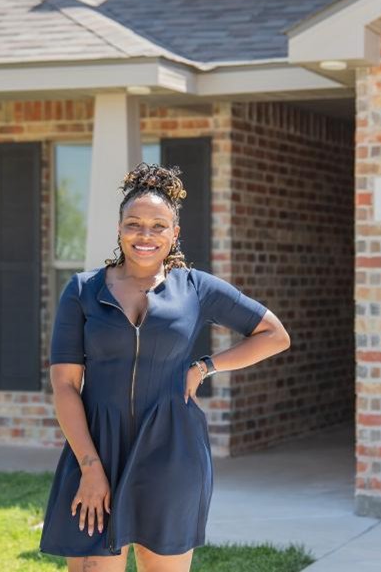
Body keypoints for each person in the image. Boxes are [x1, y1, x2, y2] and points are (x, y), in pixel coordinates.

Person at [38, 162, 291, 572]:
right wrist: (90, 466)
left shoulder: (196, 287)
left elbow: (274, 334)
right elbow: (65, 386)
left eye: (159, 226)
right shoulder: (83, 291)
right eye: (134, 224)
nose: (145, 235)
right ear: (119, 229)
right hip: (96, 447)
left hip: (171, 451)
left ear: (175, 234)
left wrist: (206, 366)